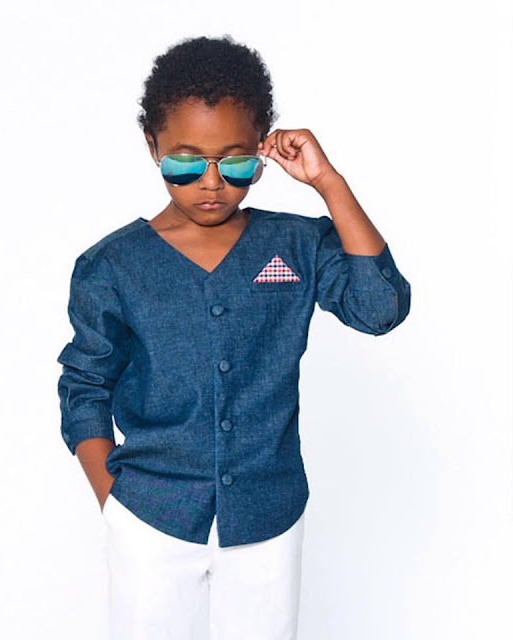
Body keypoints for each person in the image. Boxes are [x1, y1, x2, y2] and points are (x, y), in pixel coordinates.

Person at [56, 34, 411, 640]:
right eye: (186, 163)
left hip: (269, 517)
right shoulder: (111, 266)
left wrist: (328, 182)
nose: (212, 182)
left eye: (237, 162)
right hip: (150, 515)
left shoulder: (295, 245)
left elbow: (381, 309)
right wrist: (111, 499)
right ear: (153, 147)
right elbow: (84, 385)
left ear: (262, 148)